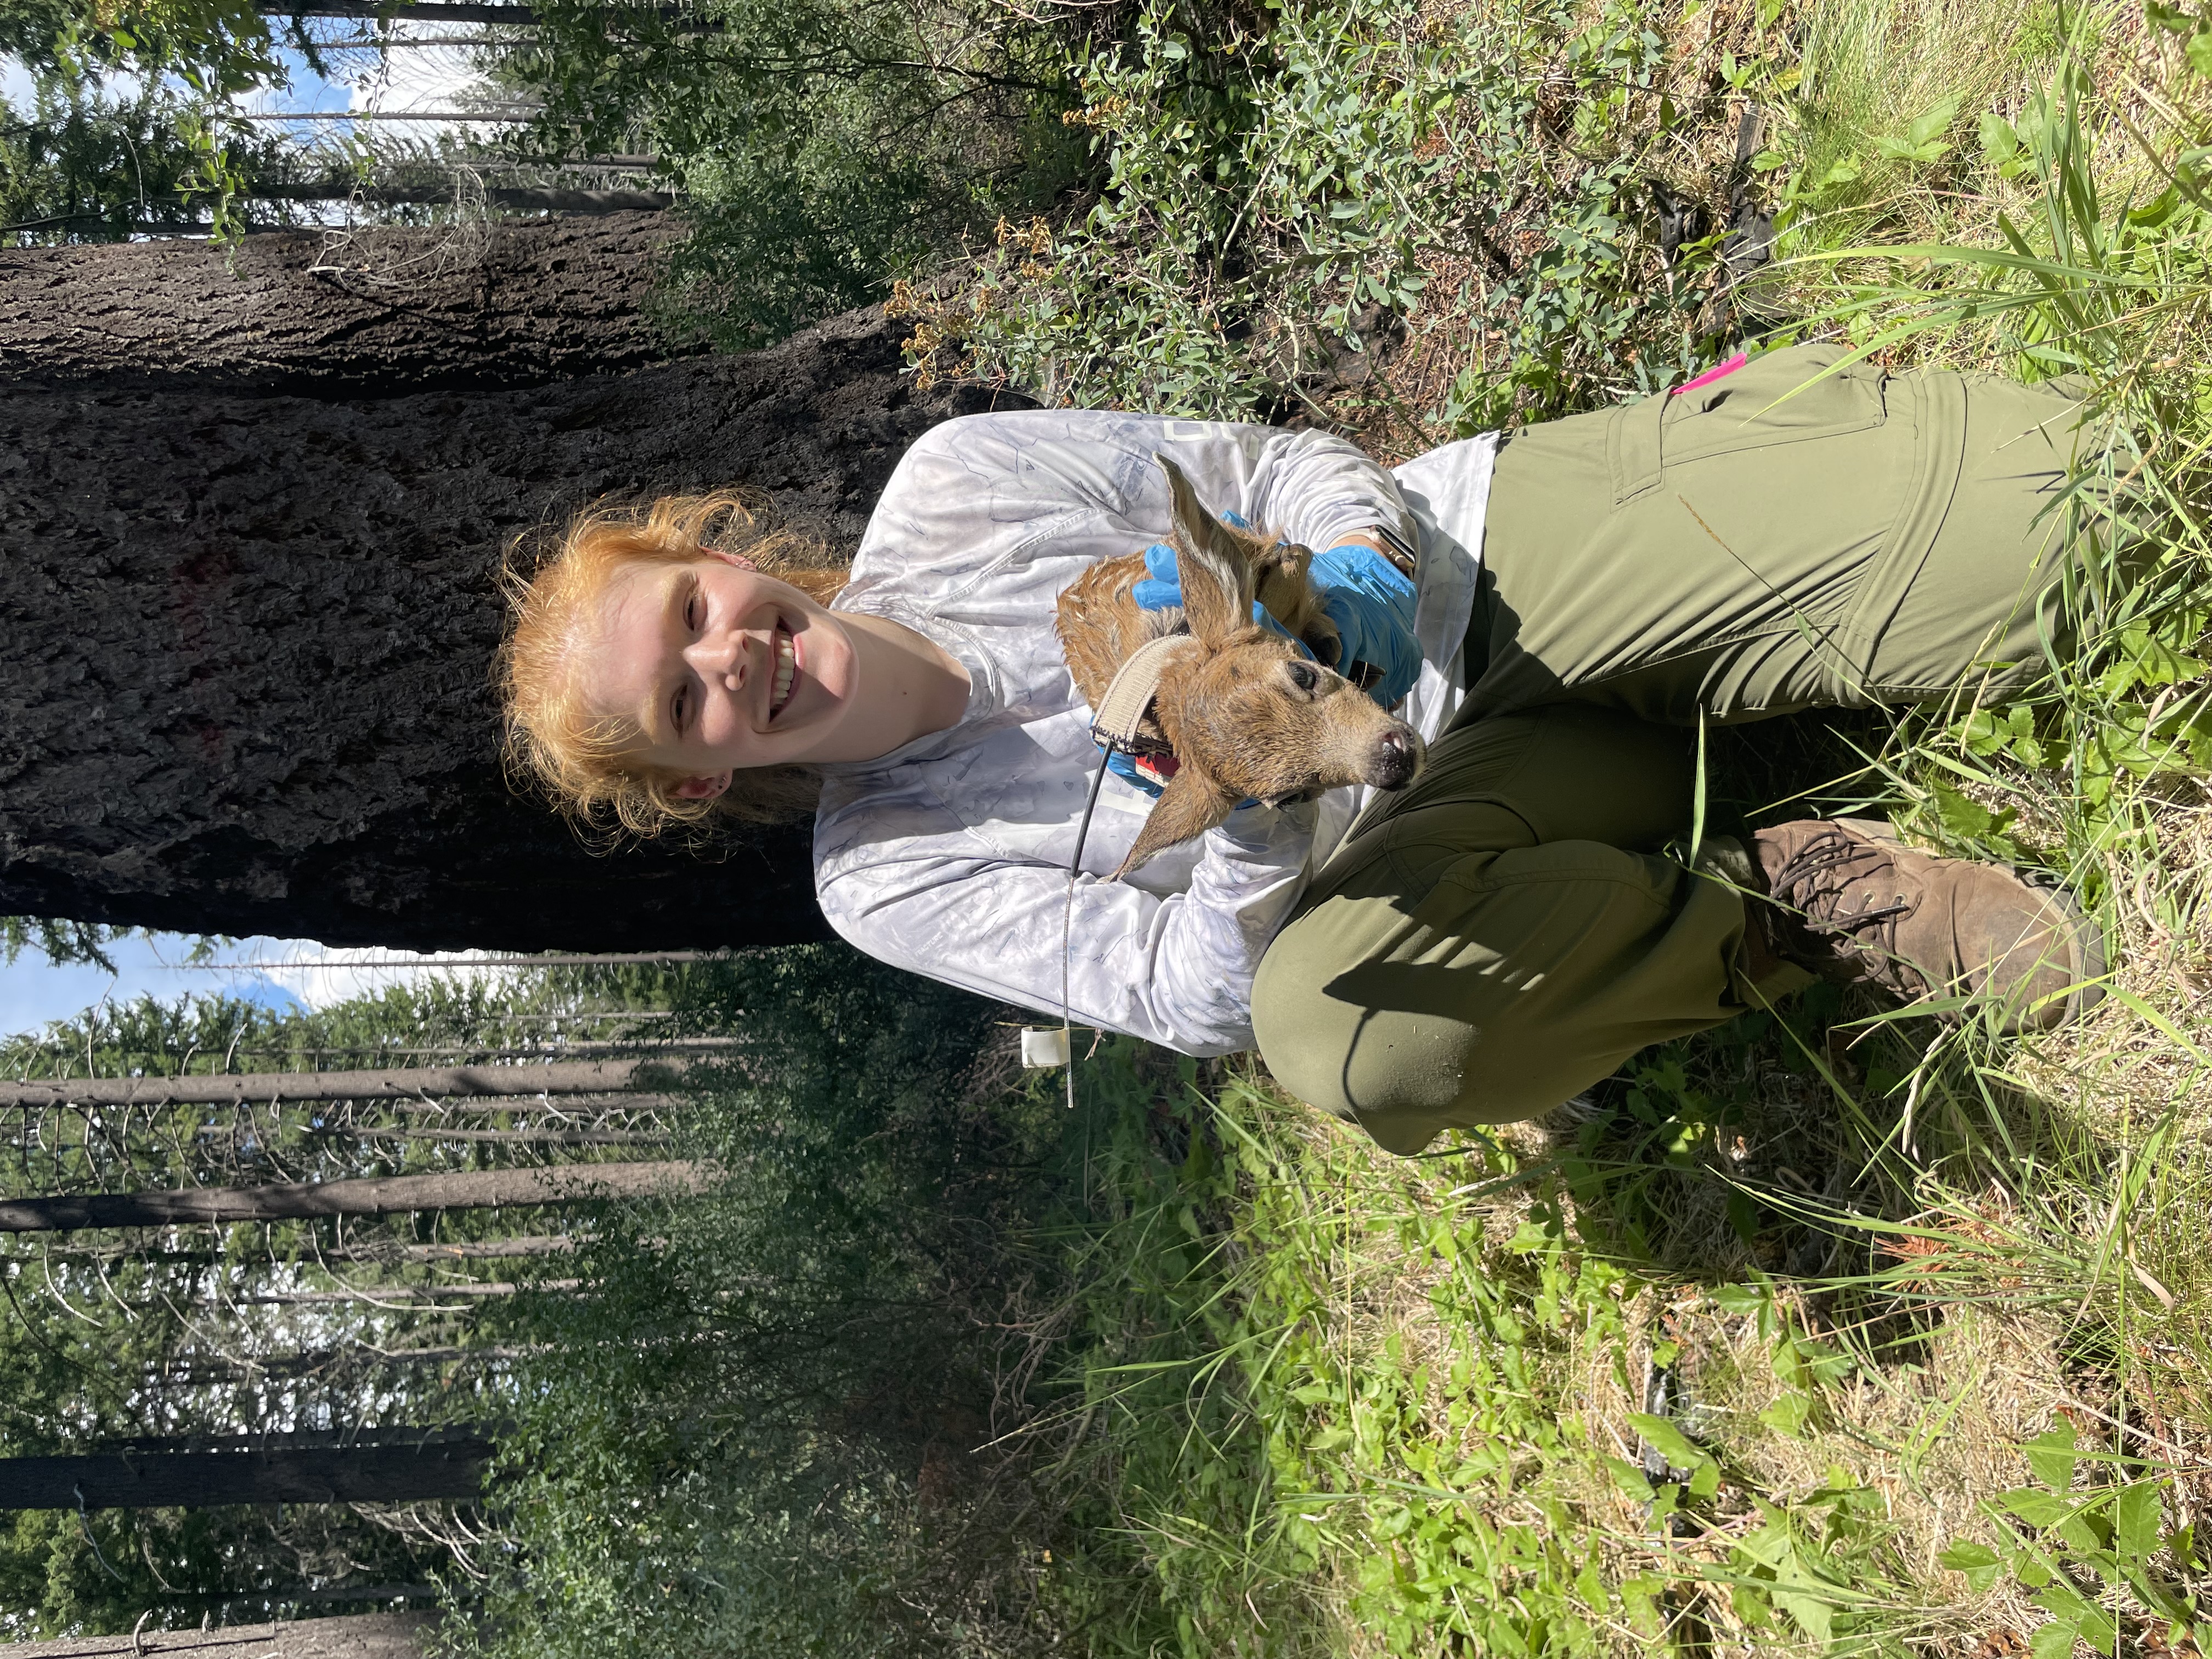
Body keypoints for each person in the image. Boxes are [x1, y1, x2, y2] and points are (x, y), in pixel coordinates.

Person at [496, 343, 2109, 1155]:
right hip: (1440, 827)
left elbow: (1281, 460)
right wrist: (1253, 789)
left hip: (1491, 586)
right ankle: (1780, 904)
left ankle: (1764, 494)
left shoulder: (955, 484)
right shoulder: (884, 879)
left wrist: (1352, 581)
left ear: (720, 552)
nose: (738, 658)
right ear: (697, 778)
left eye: (701, 606)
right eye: (688, 701)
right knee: (1335, 1040)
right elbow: (1191, 1004)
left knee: (2075, 530)